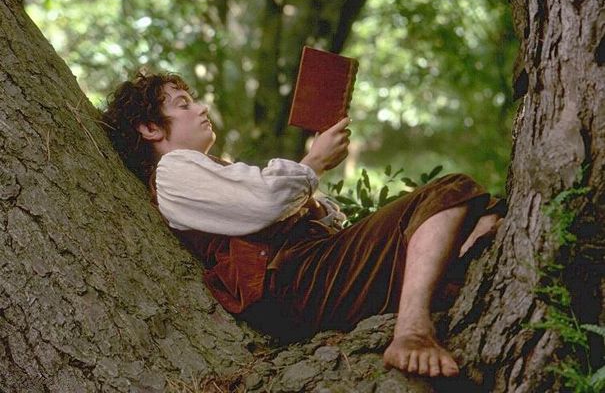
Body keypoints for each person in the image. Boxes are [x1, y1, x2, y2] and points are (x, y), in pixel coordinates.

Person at [102, 71, 504, 378]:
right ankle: (412, 330)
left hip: (310, 273)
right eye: (183, 105)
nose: (201, 108)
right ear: (150, 128)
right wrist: (314, 163)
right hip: (298, 281)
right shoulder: (173, 170)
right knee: (451, 190)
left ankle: (442, 289)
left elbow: (270, 206)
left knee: (485, 214)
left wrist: (309, 197)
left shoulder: (203, 170)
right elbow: (263, 202)